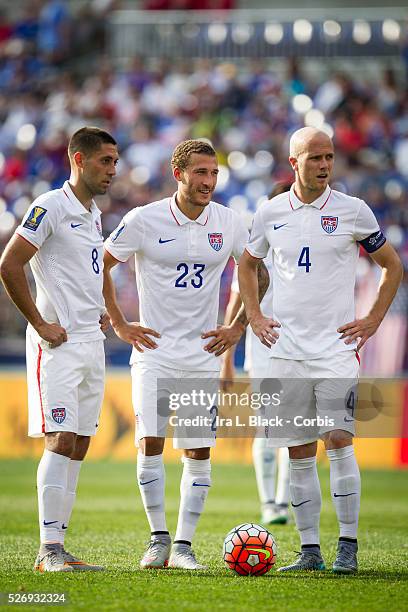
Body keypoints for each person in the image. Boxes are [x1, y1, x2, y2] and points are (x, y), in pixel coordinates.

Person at [238, 127, 403, 574]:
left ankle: (347, 546)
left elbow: (392, 266)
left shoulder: (353, 211)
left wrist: (372, 321)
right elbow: (248, 264)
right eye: (314, 158)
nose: (325, 165)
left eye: (329, 156)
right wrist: (253, 315)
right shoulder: (270, 212)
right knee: (297, 450)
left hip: (335, 350)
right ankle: (309, 550)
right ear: (293, 163)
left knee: (339, 441)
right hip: (287, 351)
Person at [103, 139, 269, 570]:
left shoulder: (229, 221)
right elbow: (98, 263)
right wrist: (120, 323)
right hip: (153, 352)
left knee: (198, 452)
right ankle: (158, 539)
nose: (208, 181)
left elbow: (255, 270)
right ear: (179, 173)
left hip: (200, 356)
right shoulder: (144, 219)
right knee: (150, 444)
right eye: (200, 172)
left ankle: (182, 547)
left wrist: (237, 326)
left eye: (213, 173)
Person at [0, 127, 119, 572]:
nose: (112, 170)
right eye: (104, 161)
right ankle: (47, 551)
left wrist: (102, 312)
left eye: (115, 162)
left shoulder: (92, 213)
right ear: (78, 159)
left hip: (91, 339)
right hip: (58, 344)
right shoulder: (49, 205)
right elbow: (9, 264)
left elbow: (86, 270)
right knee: (61, 436)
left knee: (81, 442)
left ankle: (60, 547)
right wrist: (39, 323)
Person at [221, 183, 292, 526]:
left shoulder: (308, 252)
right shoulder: (253, 258)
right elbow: (234, 309)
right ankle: (270, 503)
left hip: (300, 349)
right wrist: (226, 362)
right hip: (262, 350)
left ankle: (284, 500)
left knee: (296, 427)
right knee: (268, 427)